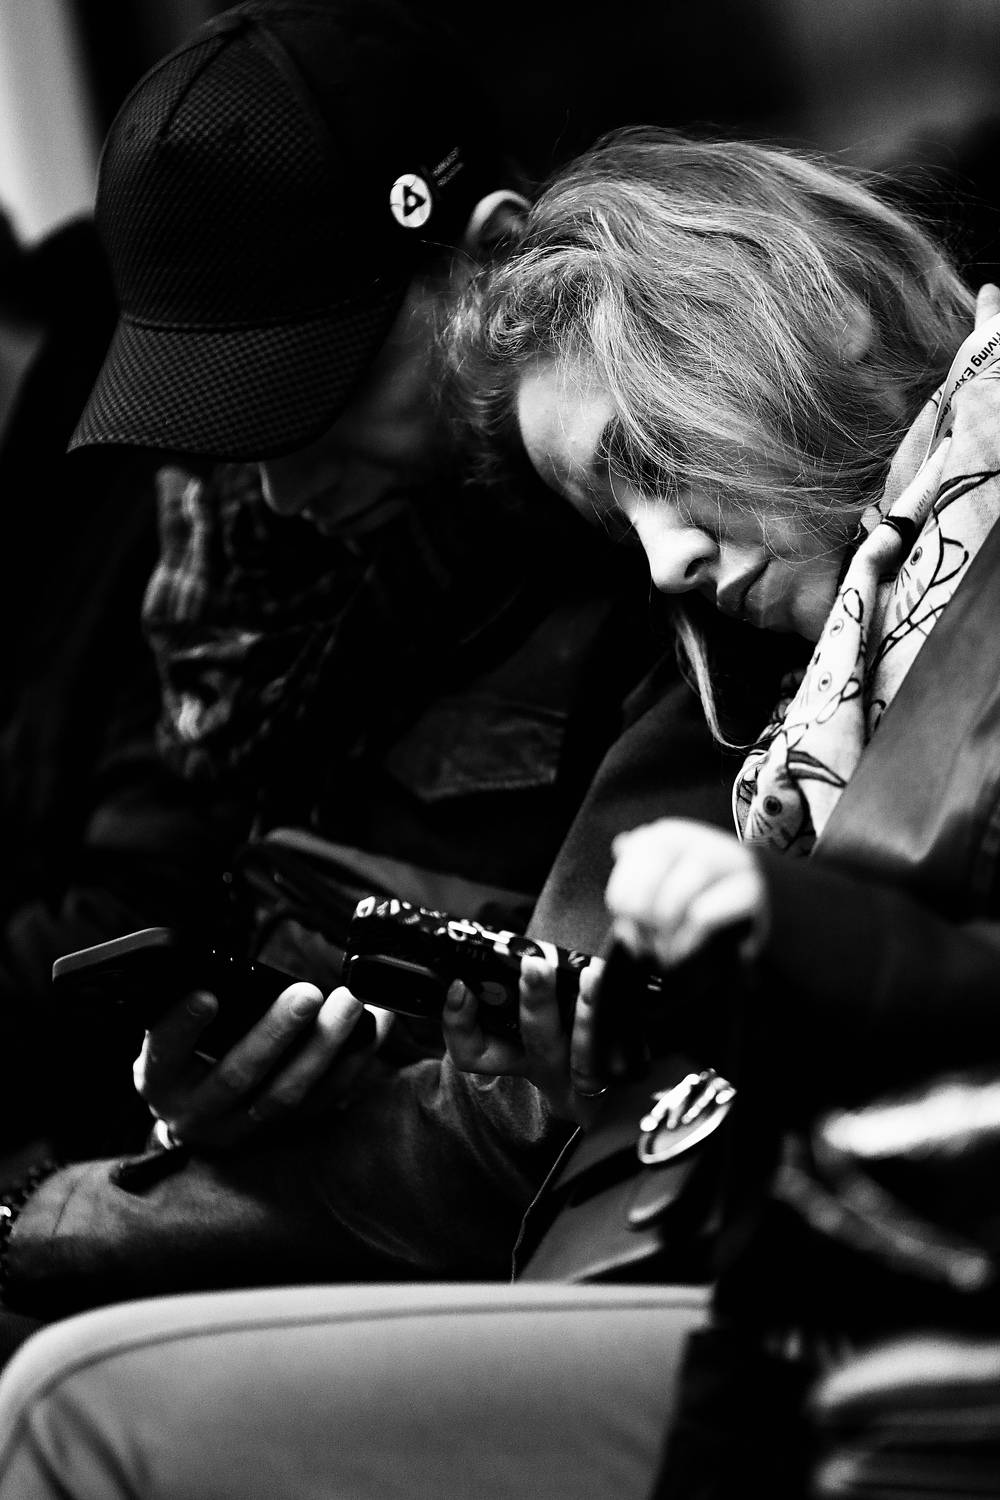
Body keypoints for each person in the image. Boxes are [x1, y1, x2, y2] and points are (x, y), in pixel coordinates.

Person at [0, 125, 997, 1497]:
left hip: (852, 1291)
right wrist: (569, 1076)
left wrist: (783, 967)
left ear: (797, 327)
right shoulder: (756, 681)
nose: (667, 561)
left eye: (654, 458)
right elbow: (548, 1117)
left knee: (65, 1408)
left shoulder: (821, 647)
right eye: (615, 519)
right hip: (701, 1248)